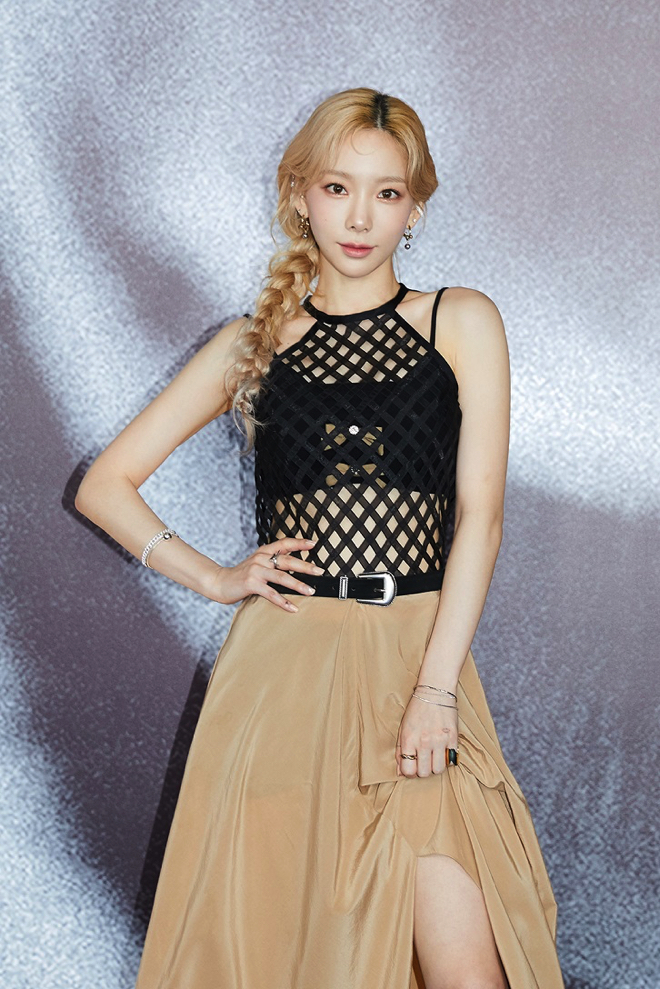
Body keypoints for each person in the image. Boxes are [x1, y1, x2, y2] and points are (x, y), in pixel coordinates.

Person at [75, 87, 564, 989]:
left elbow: (481, 520)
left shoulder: (460, 319)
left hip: (417, 667)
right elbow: (105, 484)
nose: (361, 217)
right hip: (282, 677)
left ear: (416, 207)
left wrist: (435, 689)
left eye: (387, 192)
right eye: (338, 188)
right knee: (289, 960)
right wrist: (216, 578)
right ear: (301, 194)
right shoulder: (250, 343)